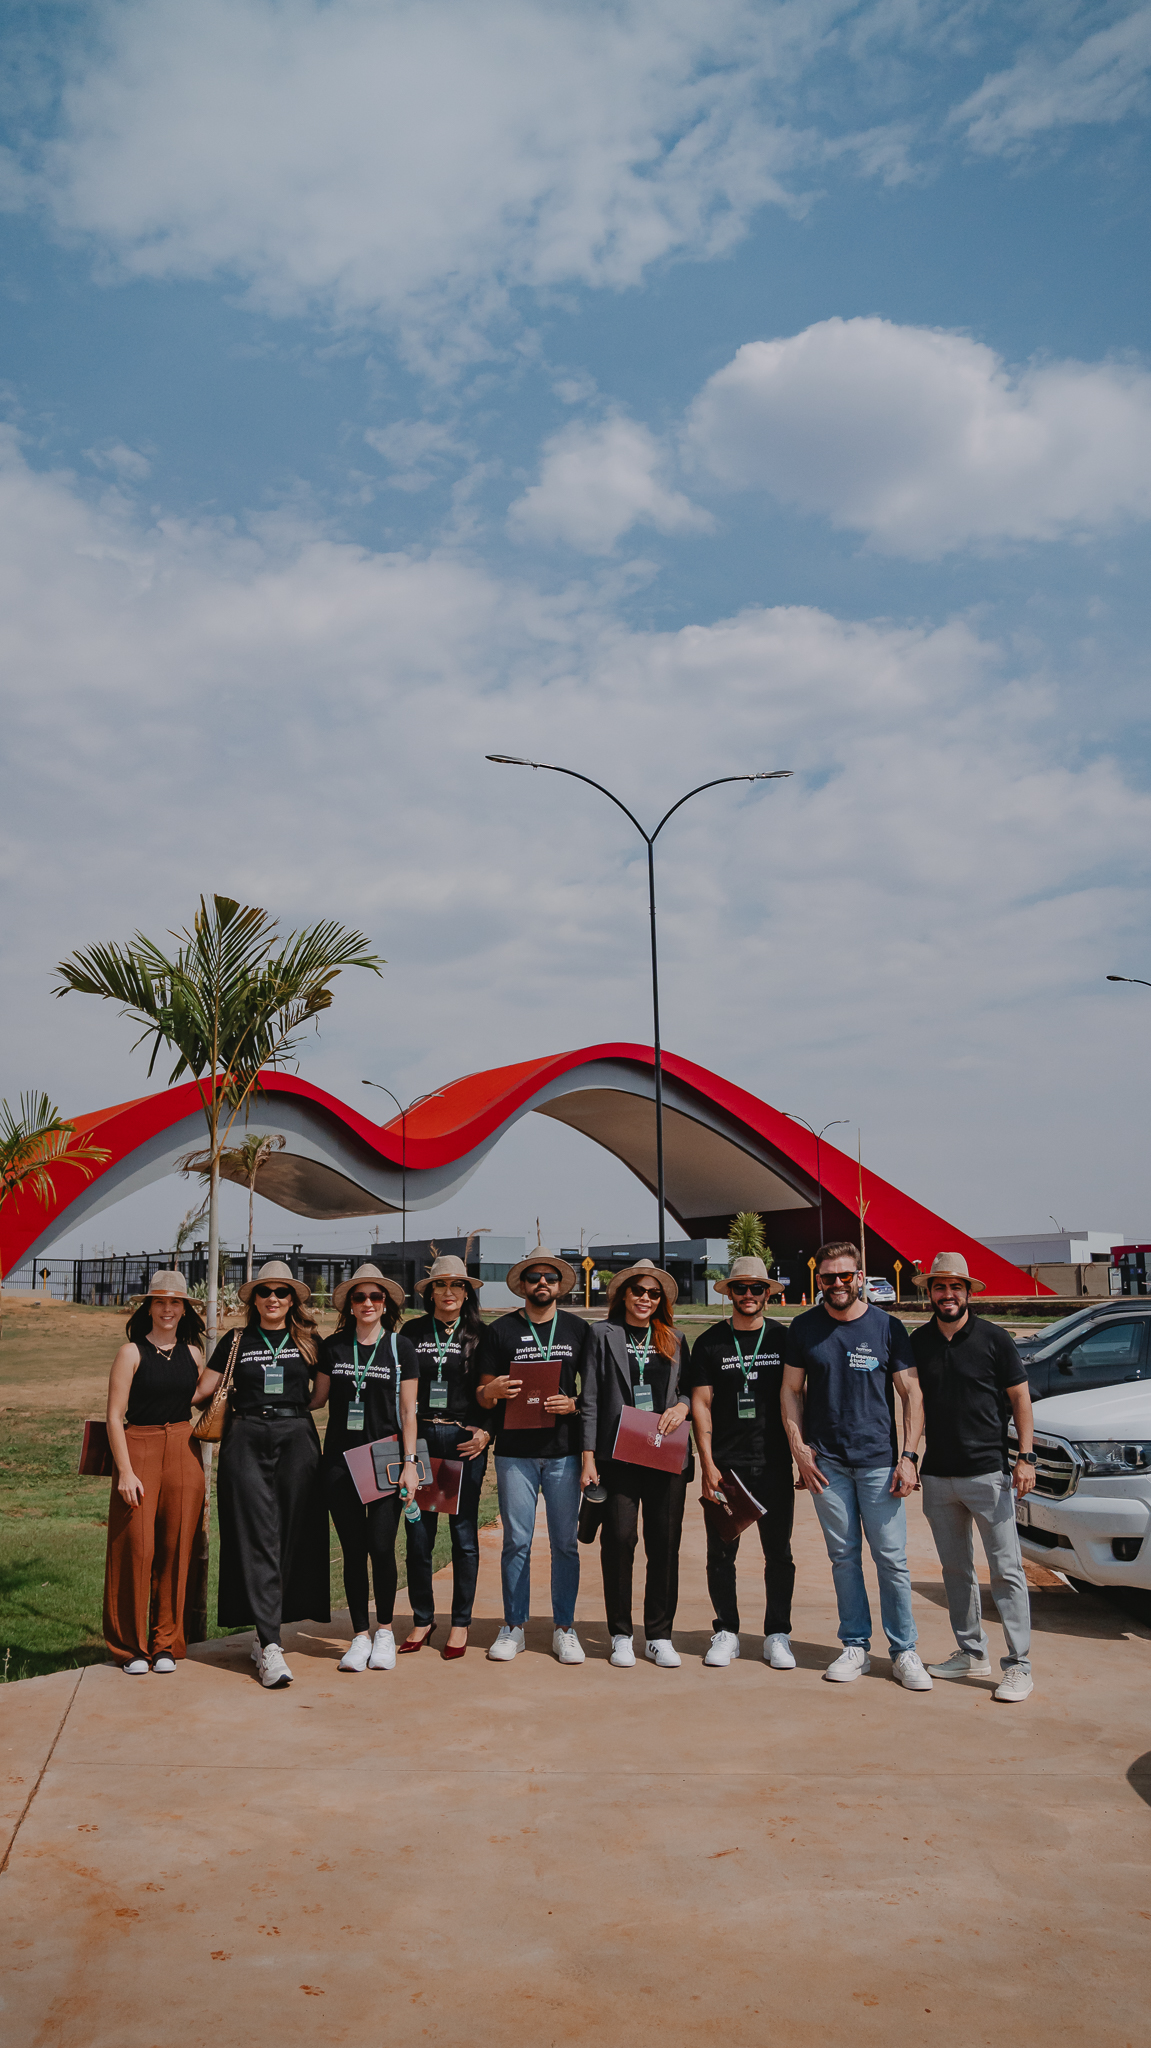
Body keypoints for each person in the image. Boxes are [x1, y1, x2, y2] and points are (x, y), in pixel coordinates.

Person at [782, 1240, 932, 1690]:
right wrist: (800, 1450)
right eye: (829, 1277)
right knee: (844, 1558)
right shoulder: (804, 1328)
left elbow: (912, 1394)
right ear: (819, 1280)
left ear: (860, 1278)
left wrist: (909, 1457)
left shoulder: (887, 1327)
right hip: (827, 1465)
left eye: (846, 1275)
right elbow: (790, 1390)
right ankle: (855, 1646)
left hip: (879, 1463)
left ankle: (904, 1651)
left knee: (891, 1558)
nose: (838, 1283)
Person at [195, 1259, 330, 1690]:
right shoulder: (236, 1340)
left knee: (291, 1533)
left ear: (293, 1299)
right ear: (254, 1299)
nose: (273, 1298)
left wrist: (289, 1413)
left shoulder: (309, 1341)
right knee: (255, 1535)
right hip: (246, 1437)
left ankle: (264, 1632)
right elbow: (201, 1391)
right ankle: (271, 1645)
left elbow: (319, 1397)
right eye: (265, 1291)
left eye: (281, 1292)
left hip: (296, 1438)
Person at [910, 1252, 1036, 1702]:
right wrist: (907, 1457)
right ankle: (971, 1652)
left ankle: (1019, 1666)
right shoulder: (919, 1342)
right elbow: (912, 1404)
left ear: (968, 1292)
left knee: (1006, 1570)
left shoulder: (995, 1339)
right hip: (938, 1477)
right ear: (930, 1293)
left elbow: (1021, 1400)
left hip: (989, 1475)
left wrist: (1026, 1458)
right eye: (940, 1287)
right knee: (955, 1570)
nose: (948, 1294)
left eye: (955, 1287)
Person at [476, 1248, 590, 1665]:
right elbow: (482, 1394)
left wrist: (572, 1404)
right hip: (514, 1455)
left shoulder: (578, 1329)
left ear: (560, 1285)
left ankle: (565, 1628)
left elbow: (593, 1393)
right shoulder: (500, 1331)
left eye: (550, 1277)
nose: (542, 1282)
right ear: (522, 1285)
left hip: (563, 1454)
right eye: (534, 1277)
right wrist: (492, 1392)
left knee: (565, 1544)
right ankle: (514, 1626)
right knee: (517, 1542)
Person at [581, 1258, 692, 1669]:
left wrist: (682, 1407)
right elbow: (590, 1398)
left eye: (653, 1293)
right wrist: (588, 1457)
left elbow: (689, 1390)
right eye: (638, 1291)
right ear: (624, 1295)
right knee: (619, 1540)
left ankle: (659, 1635)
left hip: (664, 1455)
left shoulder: (674, 1337)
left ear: (661, 1300)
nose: (645, 1298)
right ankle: (622, 1634)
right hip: (618, 1456)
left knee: (664, 1544)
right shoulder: (601, 1334)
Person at [311, 1263, 419, 1673]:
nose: (368, 1303)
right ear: (350, 1305)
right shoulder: (334, 1347)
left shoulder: (400, 1348)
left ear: (386, 1303)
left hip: (384, 1460)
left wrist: (410, 1464)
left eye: (375, 1296)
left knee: (381, 1546)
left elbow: (408, 1412)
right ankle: (360, 1635)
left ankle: (385, 1631)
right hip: (340, 1462)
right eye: (360, 1297)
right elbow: (317, 1399)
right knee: (353, 1550)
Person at [690, 1255, 795, 1671]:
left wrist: (803, 1453)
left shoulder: (784, 1340)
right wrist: (707, 1464)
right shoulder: (710, 1342)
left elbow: (799, 1397)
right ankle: (727, 1631)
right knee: (721, 1554)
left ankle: (777, 1634)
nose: (748, 1295)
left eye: (756, 1288)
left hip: (774, 1463)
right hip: (726, 1467)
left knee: (779, 1554)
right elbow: (701, 1405)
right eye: (740, 1288)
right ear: (729, 1292)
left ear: (767, 1293)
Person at [103, 1270, 207, 1674]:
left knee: (176, 1548)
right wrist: (125, 1471)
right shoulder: (130, 1352)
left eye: (175, 1302)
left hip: (183, 1448)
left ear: (184, 1309)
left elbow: (200, 1399)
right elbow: (114, 1417)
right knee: (136, 1548)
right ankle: (130, 1647)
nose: (167, 1309)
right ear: (148, 1308)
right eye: (160, 1302)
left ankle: (166, 1644)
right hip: (139, 1448)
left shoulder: (193, 1354)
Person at [399, 1255, 490, 1660]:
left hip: (462, 1441)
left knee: (463, 1535)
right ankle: (423, 1617)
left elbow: (493, 1392)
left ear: (467, 1292)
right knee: (419, 1536)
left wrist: (486, 1431)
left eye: (457, 1285)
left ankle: (460, 1622)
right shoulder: (412, 1332)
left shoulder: (482, 1335)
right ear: (430, 1292)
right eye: (441, 1284)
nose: (449, 1292)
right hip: (420, 1440)